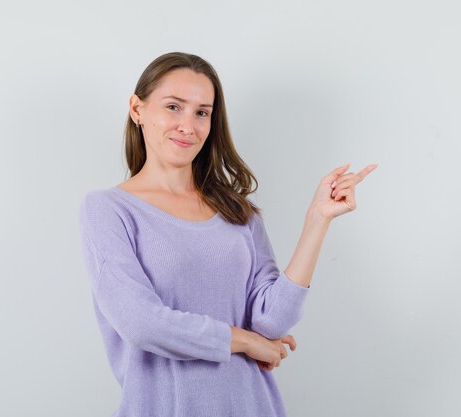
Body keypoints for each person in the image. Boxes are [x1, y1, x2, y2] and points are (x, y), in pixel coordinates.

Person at [78, 51, 377, 417]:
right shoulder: (108, 209)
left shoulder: (238, 212)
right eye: (174, 107)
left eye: (202, 112)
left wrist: (318, 220)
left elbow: (271, 321)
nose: (189, 125)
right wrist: (244, 341)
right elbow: (141, 323)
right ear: (137, 109)